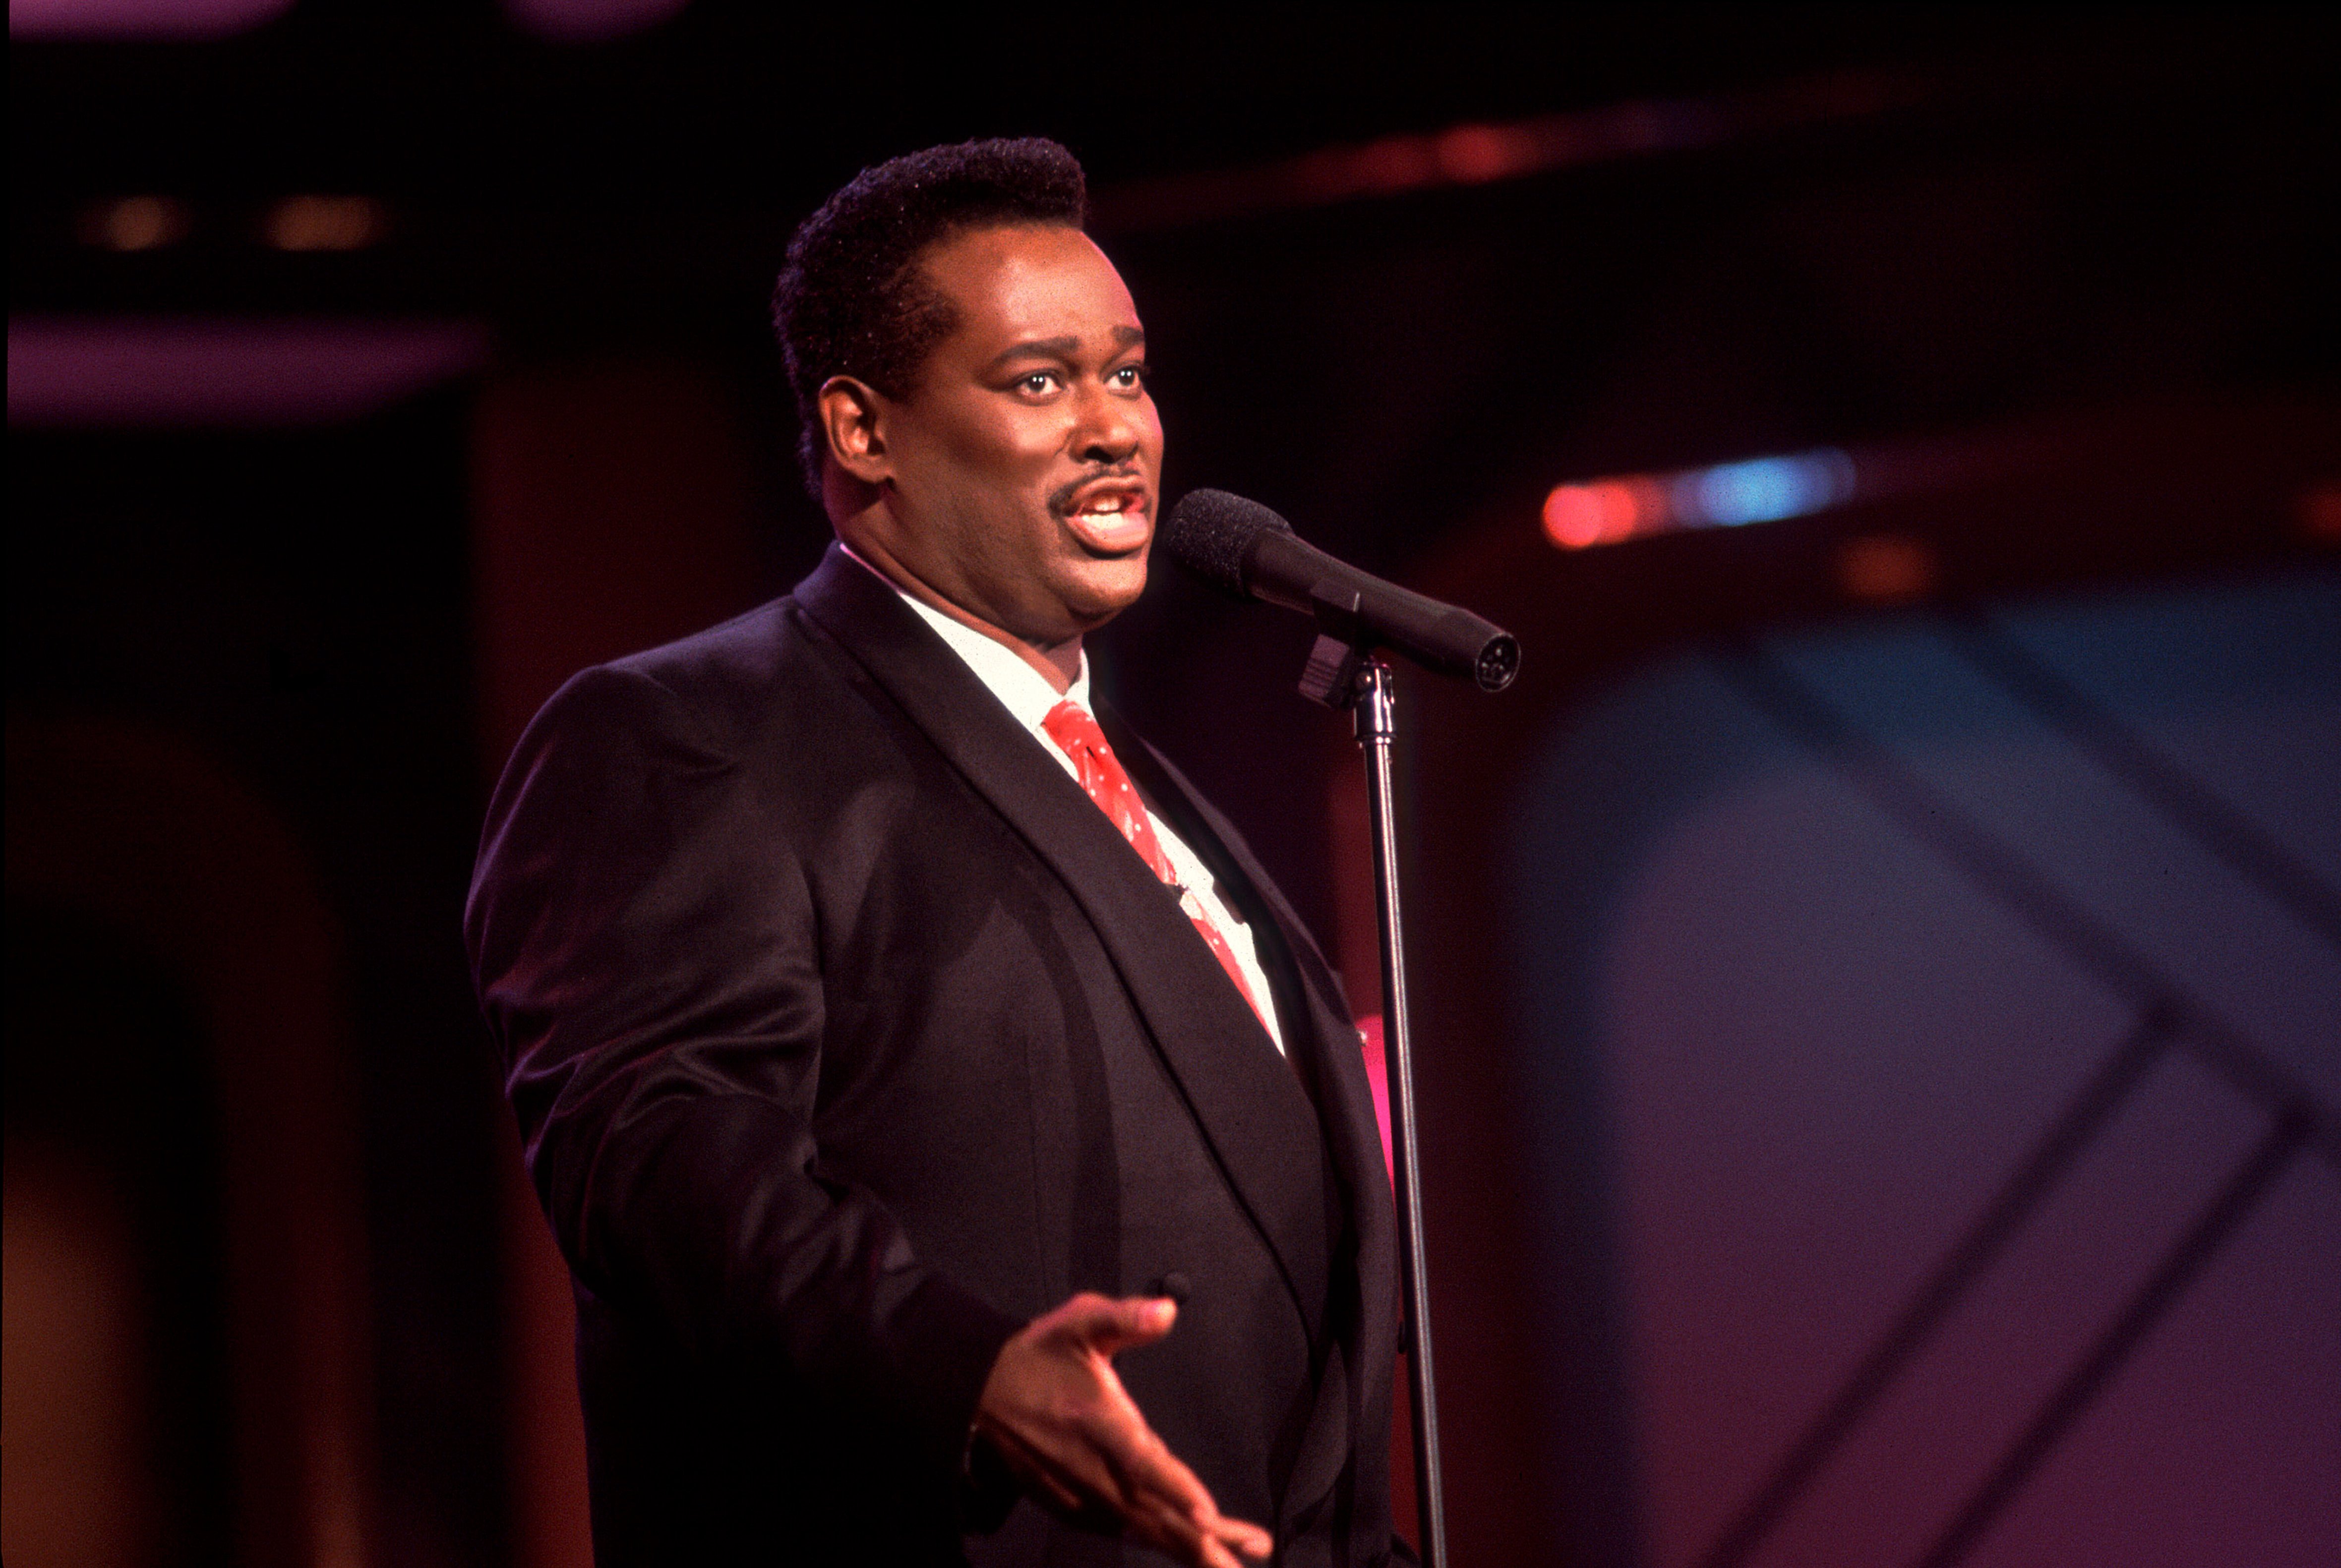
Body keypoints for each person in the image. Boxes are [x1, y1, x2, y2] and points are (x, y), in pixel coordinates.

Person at [466, 138, 1402, 1567]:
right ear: (863, 429)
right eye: (1039, 381)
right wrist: (962, 1368)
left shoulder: (1141, 787)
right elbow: (661, 1147)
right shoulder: (689, 737)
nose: (1114, 426)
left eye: (1128, 372)